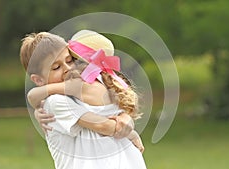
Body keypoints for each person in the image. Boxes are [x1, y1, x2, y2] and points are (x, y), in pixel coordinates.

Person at [20, 31, 147, 169]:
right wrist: (130, 132)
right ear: (38, 79)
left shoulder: (87, 89)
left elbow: (111, 110)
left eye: (69, 61)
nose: (67, 68)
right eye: (56, 67)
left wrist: (125, 118)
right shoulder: (55, 102)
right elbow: (104, 126)